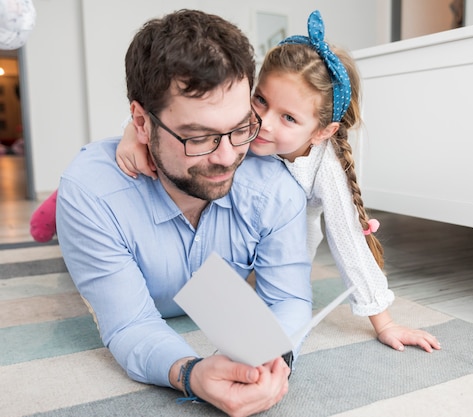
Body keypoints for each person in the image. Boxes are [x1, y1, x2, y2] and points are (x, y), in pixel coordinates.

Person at [116, 10, 441, 353]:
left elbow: (348, 241)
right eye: (261, 101)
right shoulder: (240, 127)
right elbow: (181, 115)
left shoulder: (325, 170)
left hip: (279, 251)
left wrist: (384, 322)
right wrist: (129, 135)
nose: (265, 122)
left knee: (259, 312)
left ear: (321, 132)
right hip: (225, 232)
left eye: (288, 117)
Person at [55, 10, 312, 416]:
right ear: (140, 121)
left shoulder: (274, 190)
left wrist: (274, 359)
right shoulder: (90, 194)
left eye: (241, 127)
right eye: (199, 138)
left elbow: (290, 297)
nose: (228, 157)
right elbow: (129, 324)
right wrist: (190, 373)